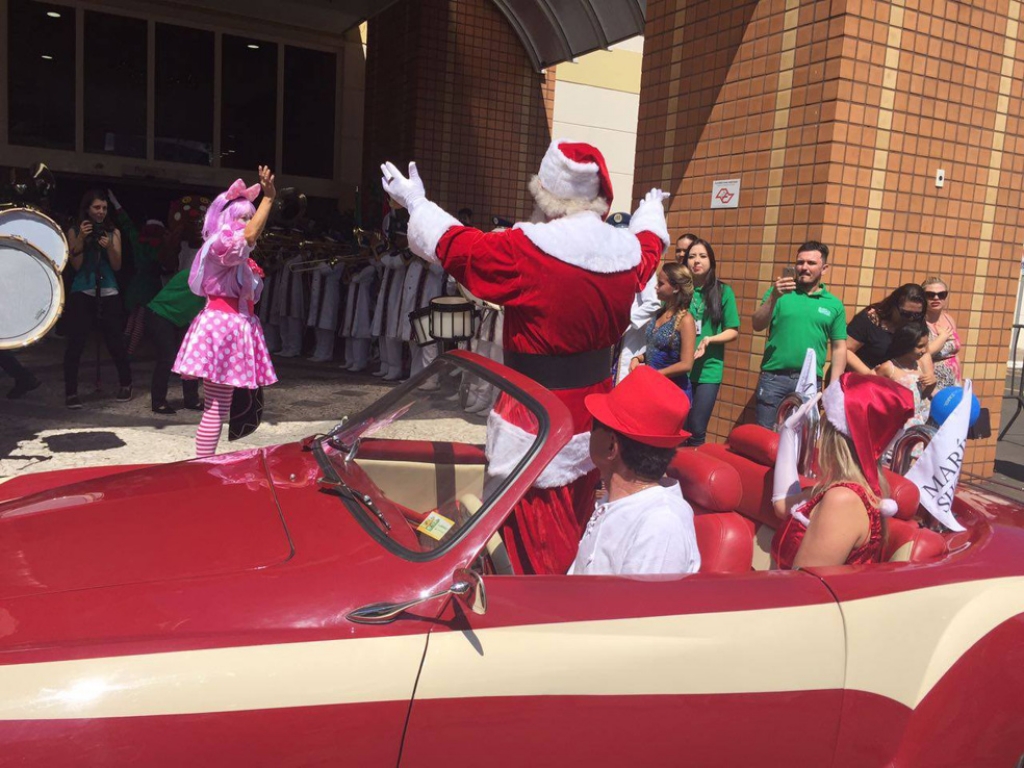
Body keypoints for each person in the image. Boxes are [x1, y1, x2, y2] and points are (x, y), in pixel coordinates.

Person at [381, 139, 668, 575]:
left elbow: (460, 248)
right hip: (595, 414)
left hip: (536, 415)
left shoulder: (527, 249)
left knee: (529, 531)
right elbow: (650, 248)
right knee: (579, 514)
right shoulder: (625, 253)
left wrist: (416, 203)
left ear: (547, 194)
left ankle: (536, 612)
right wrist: (651, 215)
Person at [173, 168, 279, 457]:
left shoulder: (236, 252)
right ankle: (203, 465)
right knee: (216, 407)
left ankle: (205, 462)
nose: (247, 222)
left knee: (222, 404)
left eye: (249, 215)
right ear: (227, 219)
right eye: (242, 216)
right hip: (224, 326)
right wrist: (268, 200)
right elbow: (248, 237)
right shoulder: (223, 243)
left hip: (234, 325)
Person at [771, 373, 915, 569]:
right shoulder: (843, 489)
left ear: (834, 435)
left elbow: (802, 588)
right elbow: (782, 506)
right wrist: (787, 435)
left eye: (824, 420)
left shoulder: (843, 499)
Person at [569, 365, 701, 576]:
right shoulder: (617, 501)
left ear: (612, 446)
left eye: (594, 425)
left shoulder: (660, 526)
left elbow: (639, 608)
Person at [751, 241, 847, 428]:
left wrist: (833, 389)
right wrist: (774, 297)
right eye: (800, 262)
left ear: (824, 268)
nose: (804, 267)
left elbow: (839, 348)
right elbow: (757, 324)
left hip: (810, 382)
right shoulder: (778, 293)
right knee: (765, 440)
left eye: (811, 263)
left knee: (801, 443)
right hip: (774, 379)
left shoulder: (834, 305)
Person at [63, 189, 133, 409]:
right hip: (83, 290)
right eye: (96, 207)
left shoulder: (113, 232)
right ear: (87, 209)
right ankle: (71, 392)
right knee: (76, 342)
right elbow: (75, 264)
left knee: (115, 340)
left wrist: (109, 246)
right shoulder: (75, 230)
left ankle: (126, 383)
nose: (101, 212)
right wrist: (82, 238)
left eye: (104, 208)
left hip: (108, 289)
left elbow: (117, 265)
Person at [685, 238, 740, 445]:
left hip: (708, 369)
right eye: (691, 257)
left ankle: (693, 472)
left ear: (711, 261)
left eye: (702, 256)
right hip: (680, 367)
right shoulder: (680, 290)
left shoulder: (723, 292)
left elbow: (732, 331)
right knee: (678, 426)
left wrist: (709, 339)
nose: (696, 261)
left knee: (697, 427)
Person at [629, 263, 697, 400]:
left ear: (676, 288)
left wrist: (656, 374)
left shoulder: (686, 320)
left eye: (661, 283)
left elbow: (686, 364)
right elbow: (655, 348)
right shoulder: (658, 313)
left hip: (673, 393)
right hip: (653, 387)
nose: (656, 287)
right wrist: (637, 358)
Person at [145, 270, 206, 414]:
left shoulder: (206, 274)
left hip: (178, 318)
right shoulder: (198, 274)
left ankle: (191, 400)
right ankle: (158, 402)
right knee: (167, 358)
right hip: (161, 314)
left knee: (189, 356)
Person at [610, 211, 660, 383]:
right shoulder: (608, 267)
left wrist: (626, 322)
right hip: (611, 339)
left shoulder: (642, 266)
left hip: (631, 337)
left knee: (623, 384)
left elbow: (654, 303)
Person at [845, 283, 928, 373]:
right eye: (906, 314)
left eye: (917, 314)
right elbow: (846, 350)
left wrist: (929, 372)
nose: (911, 318)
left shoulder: (918, 322)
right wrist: (868, 374)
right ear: (893, 306)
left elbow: (925, 351)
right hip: (861, 378)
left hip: (896, 380)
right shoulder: (871, 319)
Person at [874, 322, 934, 427]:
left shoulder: (919, 364)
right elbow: (872, 392)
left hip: (919, 423)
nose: (924, 350)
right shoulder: (889, 368)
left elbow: (920, 397)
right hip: (899, 425)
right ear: (906, 345)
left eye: (926, 345)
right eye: (920, 346)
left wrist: (931, 385)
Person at [922, 277, 962, 389]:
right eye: (930, 294)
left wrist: (960, 385)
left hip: (953, 383)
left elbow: (955, 355)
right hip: (932, 385)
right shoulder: (919, 323)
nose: (936, 298)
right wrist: (942, 337)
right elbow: (922, 354)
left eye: (941, 294)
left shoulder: (949, 319)